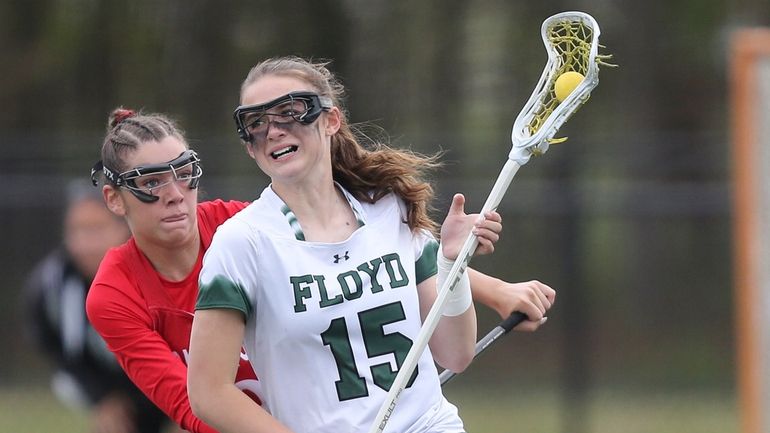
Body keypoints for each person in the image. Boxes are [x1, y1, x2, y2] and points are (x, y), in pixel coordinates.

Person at [86, 106, 553, 433]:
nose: (174, 193)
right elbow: (193, 402)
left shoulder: (239, 226)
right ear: (113, 198)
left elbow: (369, 257)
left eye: (184, 173)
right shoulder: (115, 294)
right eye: (150, 183)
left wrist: (493, 290)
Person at [187, 56, 555, 433]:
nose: (274, 130)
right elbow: (208, 392)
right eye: (257, 123)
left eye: (290, 112)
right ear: (250, 146)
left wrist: (451, 264)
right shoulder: (242, 244)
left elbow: (456, 354)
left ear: (331, 121)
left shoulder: (387, 209)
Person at [24, 179, 172, 433]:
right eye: (76, 231)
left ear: (124, 227)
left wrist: (192, 408)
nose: (84, 244)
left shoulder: (163, 272)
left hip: (178, 386)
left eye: (95, 229)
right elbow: (58, 352)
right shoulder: (52, 287)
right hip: (115, 393)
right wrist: (101, 399)